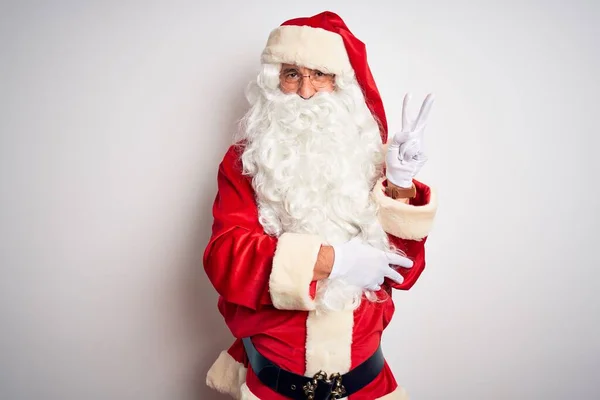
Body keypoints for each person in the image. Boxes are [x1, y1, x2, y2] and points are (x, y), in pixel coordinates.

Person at [203, 10, 437, 400]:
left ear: (341, 84)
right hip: (275, 386)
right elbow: (225, 259)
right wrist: (336, 260)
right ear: (274, 81)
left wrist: (398, 185)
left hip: (367, 385)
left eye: (320, 75)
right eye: (293, 74)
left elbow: (404, 274)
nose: (306, 92)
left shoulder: (369, 160)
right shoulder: (246, 161)